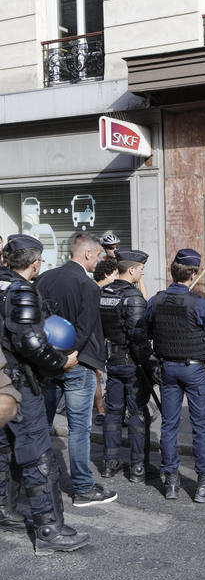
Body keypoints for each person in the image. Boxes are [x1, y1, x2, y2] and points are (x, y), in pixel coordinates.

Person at [0, 234, 90, 554]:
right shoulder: (21, 289)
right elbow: (31, 343)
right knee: (38, 454)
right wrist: (61, 363)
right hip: (20, 383)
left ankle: (4, 510)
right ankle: (49, 529)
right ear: (35, 263)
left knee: (5, 450)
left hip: (2, 383)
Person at [36, 232, 117, 507]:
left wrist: (51, 356)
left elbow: (38, 322)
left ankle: (35, 481)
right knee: (79, 429)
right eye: (98, 255)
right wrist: (70, 355)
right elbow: (84, 329)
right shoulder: (89, 285)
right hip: (77, 364)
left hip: (47, 363)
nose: (100, 259)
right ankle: (82, 488)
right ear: (87, 253)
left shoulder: (45, 278)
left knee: (41, 424)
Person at [146, 249, 205, 502]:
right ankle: (203, 485)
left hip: (167, 368)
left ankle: (171, 482)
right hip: (194, 369)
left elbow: (147, 329)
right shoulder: (199, 304)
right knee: (201, 427)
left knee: (168, 425)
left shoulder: (156, 301)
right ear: (192, 274)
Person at [99, 250, 157, 484]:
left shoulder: (104, 293)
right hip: (131, 364)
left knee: (113, 412)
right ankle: (138, 467)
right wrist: (150, 364)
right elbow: (138, 336)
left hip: (111, 361)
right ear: (131, 269)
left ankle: (109, 464)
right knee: (136, 413)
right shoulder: (133, 297)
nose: (142, 272)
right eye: (141, 269)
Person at [92, 257, 117, 426]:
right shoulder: (101, 291)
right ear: (107, 274)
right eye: (115, 274)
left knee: (98, 376)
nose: (117, 277)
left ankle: (102, 409)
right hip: (98, 340)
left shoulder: (95, 289)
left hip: (100, 339)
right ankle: (101, 410)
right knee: (98, 376)